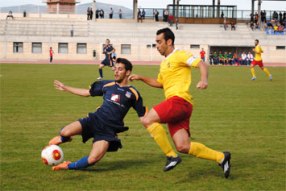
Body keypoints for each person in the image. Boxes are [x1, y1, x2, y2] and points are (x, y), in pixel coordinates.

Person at [129, 28, 231, 178]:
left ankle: (171, 156)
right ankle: (221, 157)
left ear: (169, 42)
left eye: (159, 42)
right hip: (180, 106)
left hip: (179, 101)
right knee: (183, 146)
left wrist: (203, 80)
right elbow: (160, 83)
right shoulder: (164, 63)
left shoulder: (180, 55)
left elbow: (202, 64)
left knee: (146, 119)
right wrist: (141, 77)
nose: (157, 45)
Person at [48, 58, 147, 171]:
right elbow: (86, 93)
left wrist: (155, 122)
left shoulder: (134, 93)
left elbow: (143, 116)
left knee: (93, 159)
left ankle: (68, 165)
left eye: (120, 69)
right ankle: (65, 138)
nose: (116, 71)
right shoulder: (107, 85)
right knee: (65, 132)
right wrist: (66, 88)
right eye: (115, 68)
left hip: (108, 130)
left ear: (128, 72)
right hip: (94, 120)